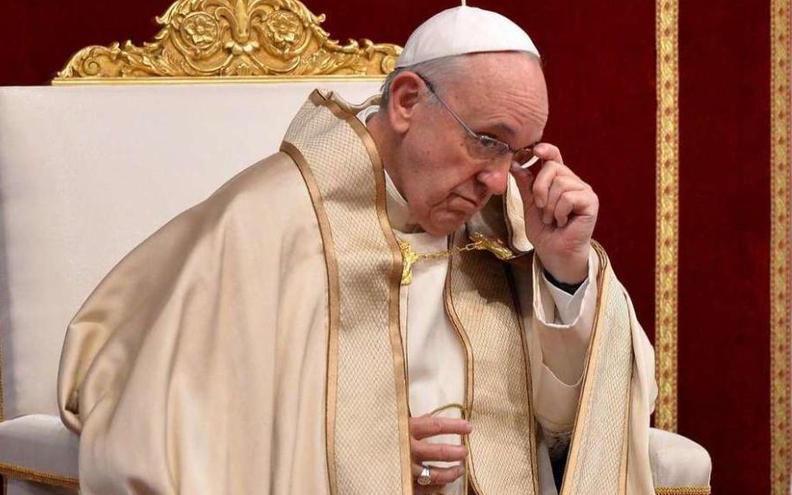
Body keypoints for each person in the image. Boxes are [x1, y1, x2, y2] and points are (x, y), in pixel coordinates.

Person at [58, 6, 657, 495]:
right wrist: (364, 454)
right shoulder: (269, 220)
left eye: (519, 153)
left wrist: (565, 270)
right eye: (486, 142)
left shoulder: (507, 229)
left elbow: (570, 427)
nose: (500, 182)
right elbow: (168, 426)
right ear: (405, 101)